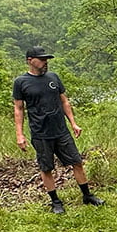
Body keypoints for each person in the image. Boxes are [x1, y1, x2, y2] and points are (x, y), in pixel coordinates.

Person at [13, 46, 103, 213]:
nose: (45, 62)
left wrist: (73, 123)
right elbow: (18, 108)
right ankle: (55, 202)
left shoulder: (53, 77)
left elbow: (64, 101)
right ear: (30, 60)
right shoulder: (21, 82)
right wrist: (20, 134)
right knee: (46, 168)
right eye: (42, 59)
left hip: (61, 131)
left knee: (77, 162)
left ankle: (87, 195)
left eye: (47, 59)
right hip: (40, 133)